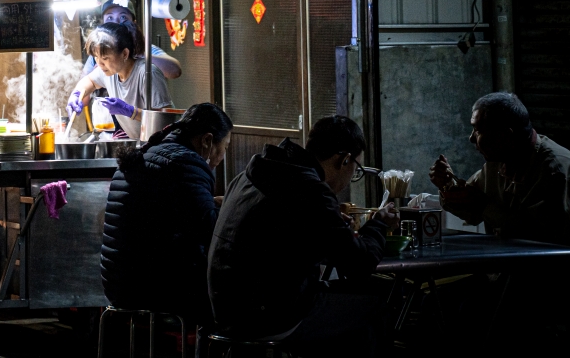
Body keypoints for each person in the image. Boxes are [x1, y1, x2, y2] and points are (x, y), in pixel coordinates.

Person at [208, 116, 398, 355]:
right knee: (375, 307)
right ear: (344, 159)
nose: (352, 176)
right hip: (267, 316)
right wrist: (379, 224)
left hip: (225, 308)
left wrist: (330, 225)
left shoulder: (253, 174)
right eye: (355, 169)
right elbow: (359, 264)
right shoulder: (309, 189)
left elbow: (279, 234)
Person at [101, 103, 233, 317]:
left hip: (118, 286)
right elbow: (210, 231)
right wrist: (230, 207)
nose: (222, 156)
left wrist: (211, 203)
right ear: (207, 141)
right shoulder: (185, 164)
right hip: (156, 290)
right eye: (225, 147)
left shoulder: (148, 154)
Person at [430, 92, 570, 245]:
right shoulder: (497, 163)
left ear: (505, 136)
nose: (471, 138)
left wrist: (485, 207)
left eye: (478, 130)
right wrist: (448, 185)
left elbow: (543, 236)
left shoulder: (554, 170)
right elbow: (471, 210)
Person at [67, 22, 173, 138]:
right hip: (142, 144)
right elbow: (90, 81)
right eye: (96, 57)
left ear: (125, 54)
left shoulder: (147, 74)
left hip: (164, 143)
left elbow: (163, 119)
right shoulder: (109, 71)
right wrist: (76, 94)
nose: (99, 63)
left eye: (105, 58)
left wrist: (129, 111)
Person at [81, 0, 182, 79]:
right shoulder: (99, 54)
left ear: (133, 22)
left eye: (123, 17)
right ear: (103, 24)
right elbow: (84, 89)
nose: (116, 23)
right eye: (110, 18)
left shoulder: (144, 48)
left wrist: (138, 53)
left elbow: (175, 71)